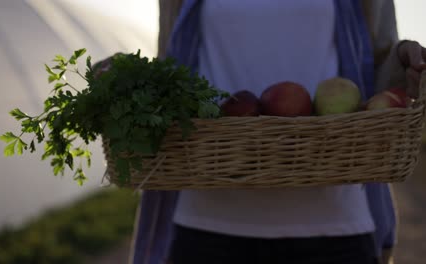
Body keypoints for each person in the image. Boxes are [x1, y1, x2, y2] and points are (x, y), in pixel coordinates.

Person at [128, 1, 426, 263]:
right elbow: (172, 66)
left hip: (335, 225)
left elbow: (378, 63)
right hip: (206, 225)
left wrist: (403, 63)